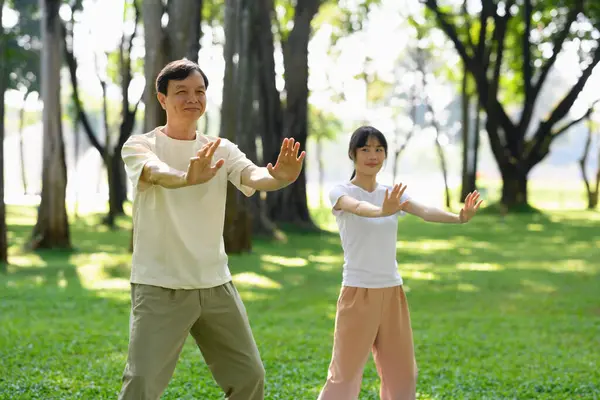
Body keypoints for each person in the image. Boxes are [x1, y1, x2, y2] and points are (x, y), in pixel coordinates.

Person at [118, 59, 305, 400]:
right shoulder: (140, 146)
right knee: (142, 383)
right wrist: (186, 177)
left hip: (215, 284)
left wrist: (280, 177)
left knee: (249, 377)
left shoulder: (221, 149)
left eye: (199, 91)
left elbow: (253, 176)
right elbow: (156, 173)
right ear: (162, 99)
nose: (193, 98)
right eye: (182, 92)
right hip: (160, 284)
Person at [317, 126, 482, 400]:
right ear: (352, 154)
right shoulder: (341, 191)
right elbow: (357, 207)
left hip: (393, 292)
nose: (373, 155)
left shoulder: (391, 193)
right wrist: (383, 211)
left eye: (379, 149)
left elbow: (425, 211)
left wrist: (459, 217)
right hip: (358, 293)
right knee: (344, 376)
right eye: (365, 149)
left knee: (403, 374)